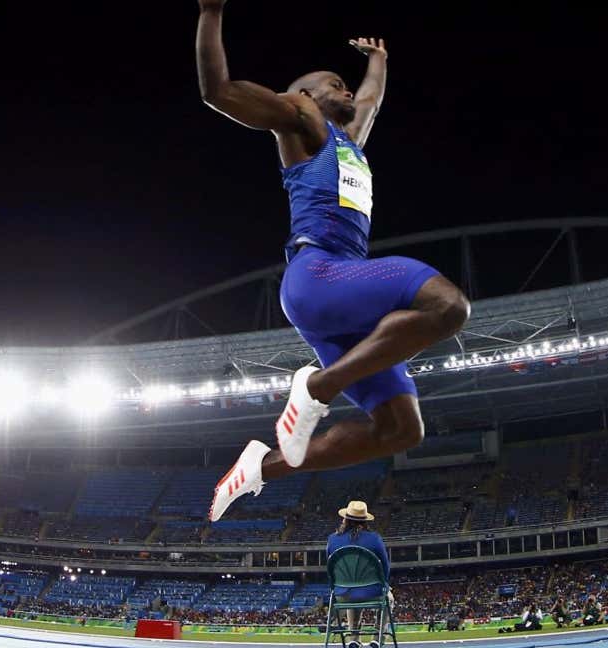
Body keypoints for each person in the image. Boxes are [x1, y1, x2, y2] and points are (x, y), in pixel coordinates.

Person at [195, 0, 471, 521]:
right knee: (448, 307)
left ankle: (258, 469)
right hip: (319, 275)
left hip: (341, 305)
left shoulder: (349, 142)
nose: (347, 90)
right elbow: (219, 92)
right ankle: (317, 386)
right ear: (305, 96)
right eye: (334, 82)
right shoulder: (301, 119)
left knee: (402, 431)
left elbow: (370, 100)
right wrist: (211, 11)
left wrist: (379, 59)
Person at [327, 501, 393, 648]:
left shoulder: (332, 540)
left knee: (353, 594)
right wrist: (384, 585)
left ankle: (354, 639)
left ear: (345, 519)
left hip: (343, 594)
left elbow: (331, 571)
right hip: (373, 592)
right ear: (365, 521)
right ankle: (377, 638)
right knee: (389, 598)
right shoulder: (374, 538)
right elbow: (386, 568)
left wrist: (337, 587)